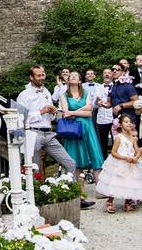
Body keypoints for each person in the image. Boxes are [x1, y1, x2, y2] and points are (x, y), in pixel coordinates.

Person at [17, 65, 95, 209]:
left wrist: (52, 112)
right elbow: (20, 118)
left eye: (43, 74)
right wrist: (40, 112)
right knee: (34, 169)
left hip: (49, 132)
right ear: (31, 77)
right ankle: (35, 201)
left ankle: (73, 198)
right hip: (34, 133)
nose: (42, 78)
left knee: (70, 163)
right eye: (39, 75)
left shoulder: (46, 91)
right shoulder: (24, 95)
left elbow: (50, 114)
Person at [95, 114, 142, 213]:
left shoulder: (132, 138)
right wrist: (125, 158)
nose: (129, 124)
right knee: (116, 181)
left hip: (130, 164)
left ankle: (127, 202)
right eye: (126, 122)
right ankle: (110, 201)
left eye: (130, 122)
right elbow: (113, 152)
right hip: (119, 163)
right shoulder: (118, 137)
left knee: (129, 182)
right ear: (120, 125)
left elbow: (136, 151)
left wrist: (136, 157)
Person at [59, 72, 104, 187]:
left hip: (88, 129)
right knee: (76, 158)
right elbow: (65, 114)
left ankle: (100, 188)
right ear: (68, 81)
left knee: (95, 156)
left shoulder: (86, 93)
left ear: (80, 80)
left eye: (76, 75)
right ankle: (80, 191)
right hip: (73, 130)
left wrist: (73, 112)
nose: (73, 76)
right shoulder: (63, 96)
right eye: (70, 76)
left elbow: (89, 113)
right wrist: (82, 110)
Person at [95, 68, 115, 157]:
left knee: (116, 141)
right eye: (105, 73)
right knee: (102, 142)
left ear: (112, 75)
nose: (107, 74)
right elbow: (93, 105)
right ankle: (103, 162)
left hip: (113, 118)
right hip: (101, 118)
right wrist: (97, 102)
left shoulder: (116, 86)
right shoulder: (98, 88)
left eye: (109, 73)